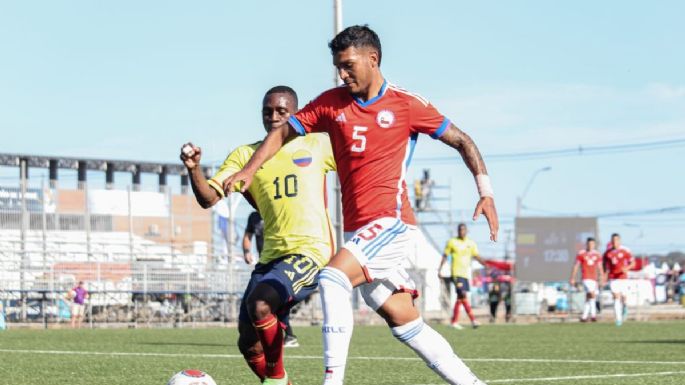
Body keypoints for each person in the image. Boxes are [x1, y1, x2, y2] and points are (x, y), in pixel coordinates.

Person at [223, 25, 498, 385]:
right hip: (358, 233)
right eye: (338, 66)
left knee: (333, 278)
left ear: (373, 59)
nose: (342, 74)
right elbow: (283, 131)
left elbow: (462, 140)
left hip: (391, 224)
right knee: (404, 320)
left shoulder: (406, 104)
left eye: (349, 65)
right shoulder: (330, 102)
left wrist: (486, 191)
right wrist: (250, 169)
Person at [180, 86, 336, 385]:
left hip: (310, 253)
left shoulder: (317, 144)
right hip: (270, 259)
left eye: (282, 111)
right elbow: (208, 198)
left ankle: (275, 380)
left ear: (296, 113)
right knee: (248, 343)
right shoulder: (245, 155)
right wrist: (194, 169)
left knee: (261, 305)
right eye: (268, 111)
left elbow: (358, 163)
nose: (274, 116)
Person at [243, 210, 300, 348]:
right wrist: (247, 251)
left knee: (274, 300)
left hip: (280, 263)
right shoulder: (253, 216)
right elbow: (247, 235)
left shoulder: (278, 210)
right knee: (253, 299)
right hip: (263, 263)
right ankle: (266, 335)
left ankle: (289, 335)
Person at [439, 223, 486, 329]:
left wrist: (484, 264)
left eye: (463, 230)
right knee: (462, 294)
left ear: (466, 231)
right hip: (456, 273)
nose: (461, 232)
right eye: (460, 230)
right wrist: (440, 269)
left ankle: (455, 321)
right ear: (458, 231)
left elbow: (476, 255)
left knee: (461, 298)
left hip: (465, 274)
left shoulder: (471, 243)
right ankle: (472, 320)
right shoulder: (452, 242)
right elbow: (445, 255)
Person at [603, 233, 635, 326]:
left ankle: (625, 307)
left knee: (624, 298)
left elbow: (633, 263)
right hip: (613, 277)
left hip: (623, 277)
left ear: (619, 241)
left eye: (616, 240)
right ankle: (618, 319)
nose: (614, 242)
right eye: (613, 240)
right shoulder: (607, 253)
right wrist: (604, 275)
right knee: (616, 297)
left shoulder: (625, 251)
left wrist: (627, 268)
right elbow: (604, 265)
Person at [570, 237, 604, 322]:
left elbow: (600, 268)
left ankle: (584, 317)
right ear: (586, 244)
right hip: (586, 278)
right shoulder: (581, 253)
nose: (590, 246)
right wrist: (572, 278)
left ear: (594, 245)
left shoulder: (597, 254)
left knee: (589, 297)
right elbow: (576, 266)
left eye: (592, 244)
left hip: (594, 279)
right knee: (592, 295)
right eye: (589, 244)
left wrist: (602, 277)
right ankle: (593, 315)